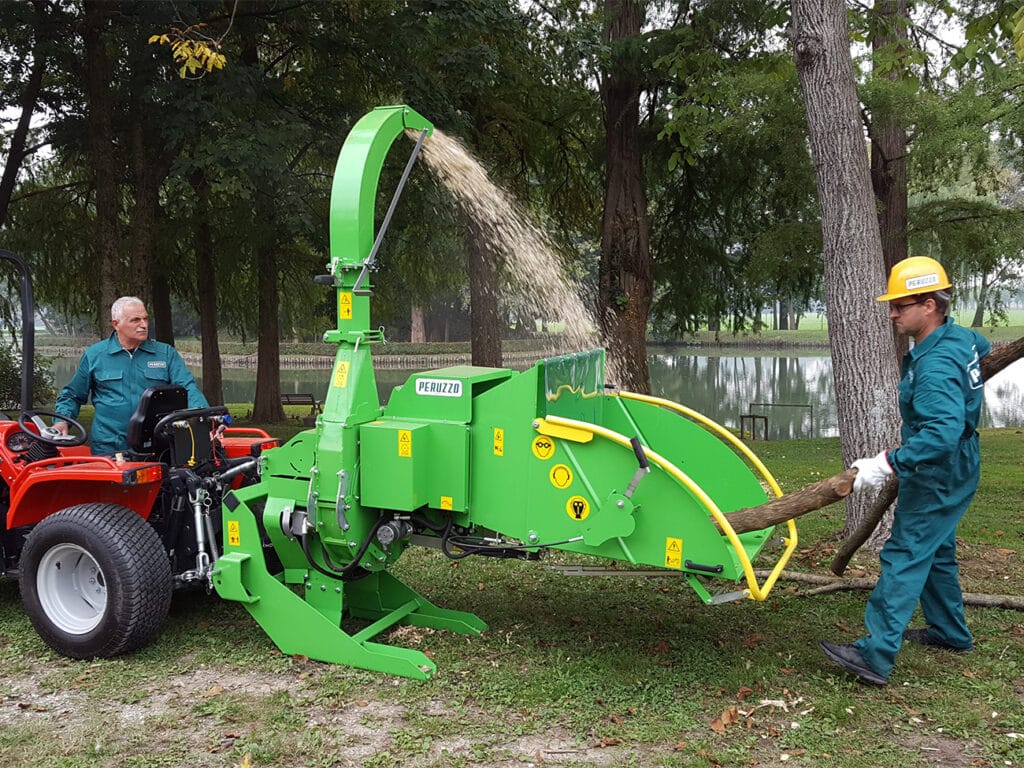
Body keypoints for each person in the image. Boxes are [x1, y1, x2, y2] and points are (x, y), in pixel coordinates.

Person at [820, 256, 989, 686]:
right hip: (955, 465)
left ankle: (874, 656)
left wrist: (888, 463)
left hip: (939, 470)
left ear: (930, 304)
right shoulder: (960, 339)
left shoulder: (934, 366)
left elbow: (942, 433)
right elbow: (984, 350)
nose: (892, 312)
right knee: (937, 551)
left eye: (901, 304)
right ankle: (951, 633)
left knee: (905, 552)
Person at [54, 296, 209, 456]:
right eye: (135, 320)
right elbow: (72, 395)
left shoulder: (165, 354)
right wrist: (61, 420)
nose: (143, 325)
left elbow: (188, 388)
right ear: (116, 324)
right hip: (109, 449)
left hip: (157, 447)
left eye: (145, 319)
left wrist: (205, 419)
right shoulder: (95, 355)